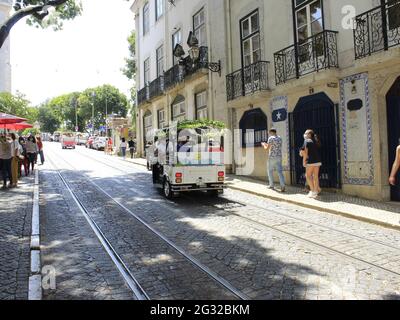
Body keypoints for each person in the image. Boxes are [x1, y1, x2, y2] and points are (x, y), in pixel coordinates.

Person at [302, 129, 322, 198]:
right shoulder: (315, 140)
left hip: (310, 161)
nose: (305, 134)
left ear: (309, 135)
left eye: (306, 133)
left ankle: (313, 191)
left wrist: (304, 161)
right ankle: (315, 191)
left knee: (308, 176)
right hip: (318, 161)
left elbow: (305, 152)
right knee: (315, 177)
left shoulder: (306, 141)